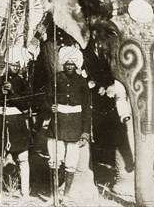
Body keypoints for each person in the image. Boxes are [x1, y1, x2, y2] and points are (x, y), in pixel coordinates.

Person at [44, 45, 91, 201]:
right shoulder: (55, 78)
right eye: (67, 64)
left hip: (75, 125)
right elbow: (46, 99)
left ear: (76, 65)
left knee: (71, 162)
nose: (70, 66)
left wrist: (85, 132)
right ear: (63, 64)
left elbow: (86, 108)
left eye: (72, 64)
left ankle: (66, 196)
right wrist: (50, 107)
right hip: (57, 123)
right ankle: (53, 195)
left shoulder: (82, 81)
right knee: (54, 160)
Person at [0, 48, 31, 201]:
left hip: (17, 123)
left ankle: (25, 192)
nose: (16, 67)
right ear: (7, 64)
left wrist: (12, 93)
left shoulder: (22, 82)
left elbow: (26, 104)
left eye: (18, 65)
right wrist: (1, 95)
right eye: (13, 64)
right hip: (1, 120)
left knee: (23, 157)